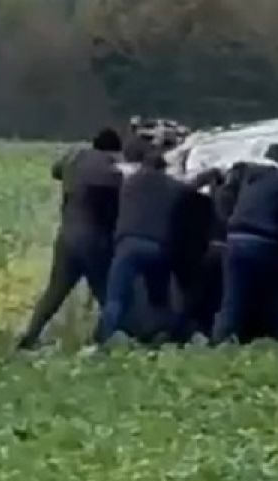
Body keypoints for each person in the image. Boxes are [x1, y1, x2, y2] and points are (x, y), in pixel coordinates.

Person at [94, 143, 220, 346]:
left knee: (116, 298)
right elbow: (192, 189)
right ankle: (169, 335)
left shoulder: (130, 182)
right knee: (161, 301)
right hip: (159, 249)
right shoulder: (171, 186)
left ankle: (106, 339)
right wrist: (209, 177)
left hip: (129, 246)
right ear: (163, 168)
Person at [16, 128, 123, 351]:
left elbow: (56, 170)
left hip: (67, 236)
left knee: (54, 293)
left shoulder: (75, 157)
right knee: (107, 293)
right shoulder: (112, 172)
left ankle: (30, 337)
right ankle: (107, 340)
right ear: (114, 151)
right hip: (94, 238)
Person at [212, 144, 278, 344]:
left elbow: (224, 202)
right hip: (266, 242)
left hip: (235, 239)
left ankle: (221, 342)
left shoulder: (248, 178)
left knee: (233, 300)